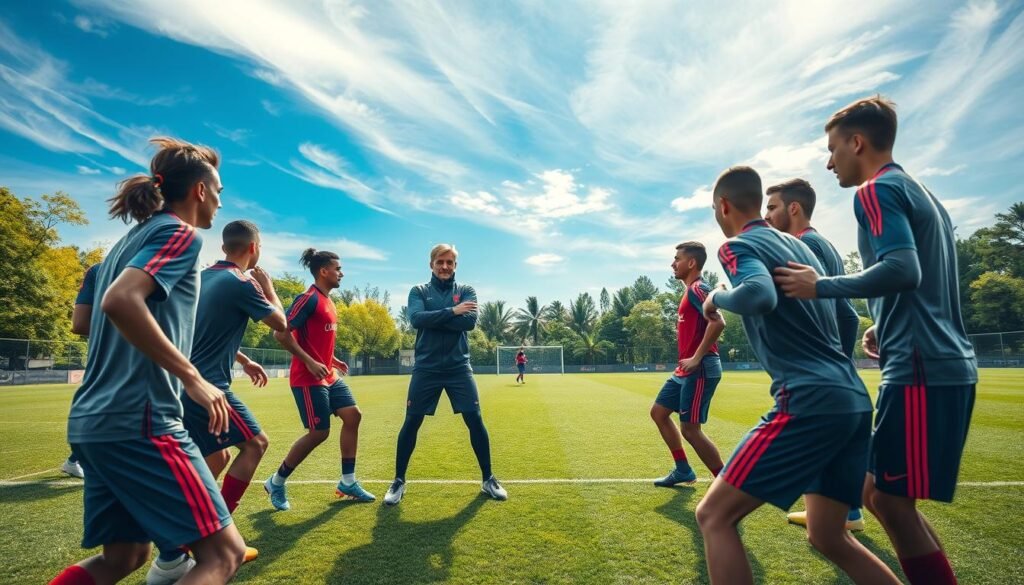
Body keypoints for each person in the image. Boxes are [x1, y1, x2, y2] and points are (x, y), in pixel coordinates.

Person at [774, 96, 977, 585]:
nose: (829, 161)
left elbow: (903, 270)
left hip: (922, 365)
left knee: (886, 499)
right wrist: (881, 323)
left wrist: (819, 285)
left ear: (857, 142)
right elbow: (922, 277)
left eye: (833, 149)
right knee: (878, 495)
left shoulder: (873, 191)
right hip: (931, 356)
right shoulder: (922, 191)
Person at [51, 137, 246, 585]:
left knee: (124, 557)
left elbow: (84, 320)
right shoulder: (179, 234)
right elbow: (120, 301)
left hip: (92, 422)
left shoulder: (123, 244)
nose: (219, 200)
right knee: (223, 555)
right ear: (199, 190)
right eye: (217, 190)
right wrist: (193, 377)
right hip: (140, 419)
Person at [694, 166, 900, 585]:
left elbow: (759, 295)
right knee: (828, 536)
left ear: (723, 206)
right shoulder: (799, 247)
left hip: (809, 400)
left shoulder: (735, 245)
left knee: (713, 515)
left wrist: (715, 297)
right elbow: (842, 314)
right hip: (852, 398)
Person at [764, 178, 865, 531]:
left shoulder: (807, 244)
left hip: (821, 369)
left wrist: (833, 359)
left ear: (794, 208)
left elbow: (843, 313)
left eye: (772, 207)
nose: (766, 216)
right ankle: (846, 512)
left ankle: (846, 512)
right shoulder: (820, 243)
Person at [383, 244, 507, 505]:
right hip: (426, 369)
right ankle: (398, 481)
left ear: (455, 265)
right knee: (412, 422)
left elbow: (469, 323)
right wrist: (452, 312)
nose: (445, 266)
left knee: (474, 419)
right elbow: (416, 319)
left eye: (450, 262)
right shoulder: (419, 291)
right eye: (440, 261)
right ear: (431, 264)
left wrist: (437, 317)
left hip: (458, 368)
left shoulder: (466, 291)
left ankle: (488, 479)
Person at [264, 248, 375, 511]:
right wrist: (310, 361)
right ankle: (276, 482)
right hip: (307, 378)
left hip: (328, 375)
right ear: (324, 271)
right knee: (319, 432)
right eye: (338, 269)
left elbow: (317, 338)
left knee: (353, 415)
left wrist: (331, 359)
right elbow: (280, 334)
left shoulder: (329, 300)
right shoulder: (307, 299)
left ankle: (347, 481)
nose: (341, 273)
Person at [651, 242, 726, 488]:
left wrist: (696, 357)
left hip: (701, 367)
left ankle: (727, 487)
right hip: (685, 370)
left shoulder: (698, 289)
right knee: (659, 413)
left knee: (691, 430)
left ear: (691, 263)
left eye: (677, 259)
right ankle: (683, 470)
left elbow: (719, 323)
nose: (673, 263)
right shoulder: (689, 291)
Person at [62, 262, 101, 480]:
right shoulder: (155, 267)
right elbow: (78, 325)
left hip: (101, 356)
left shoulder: (97, 269)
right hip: (131, 359)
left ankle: (74, 460)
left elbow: (79, 324)